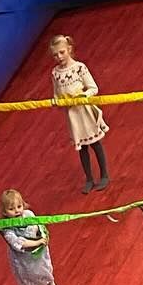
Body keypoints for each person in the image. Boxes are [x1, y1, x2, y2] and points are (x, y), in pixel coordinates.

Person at [48, 34, 110, 194]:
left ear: (69, 49)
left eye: (62, 52)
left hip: (85, 111)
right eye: (55, 55)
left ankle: (104, 175)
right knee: (82, 147)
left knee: (95, 144)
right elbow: (57, 93)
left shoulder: (79, 68)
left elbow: (93, 88)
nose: (59, 57)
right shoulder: (55, 73)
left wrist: (83, 96)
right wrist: (57, 101)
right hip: (72, 116)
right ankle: (89, 178)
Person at [0, 188, 72, 285]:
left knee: (49, 281)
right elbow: (18, 243)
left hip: (40, 258)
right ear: (4, 212)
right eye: (11, 209)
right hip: (25, 264)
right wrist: (37, 242)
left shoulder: (29, 214)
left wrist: (44, 235)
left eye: (19, 206)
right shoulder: (8, 229)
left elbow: (39, 226)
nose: (17, 211)